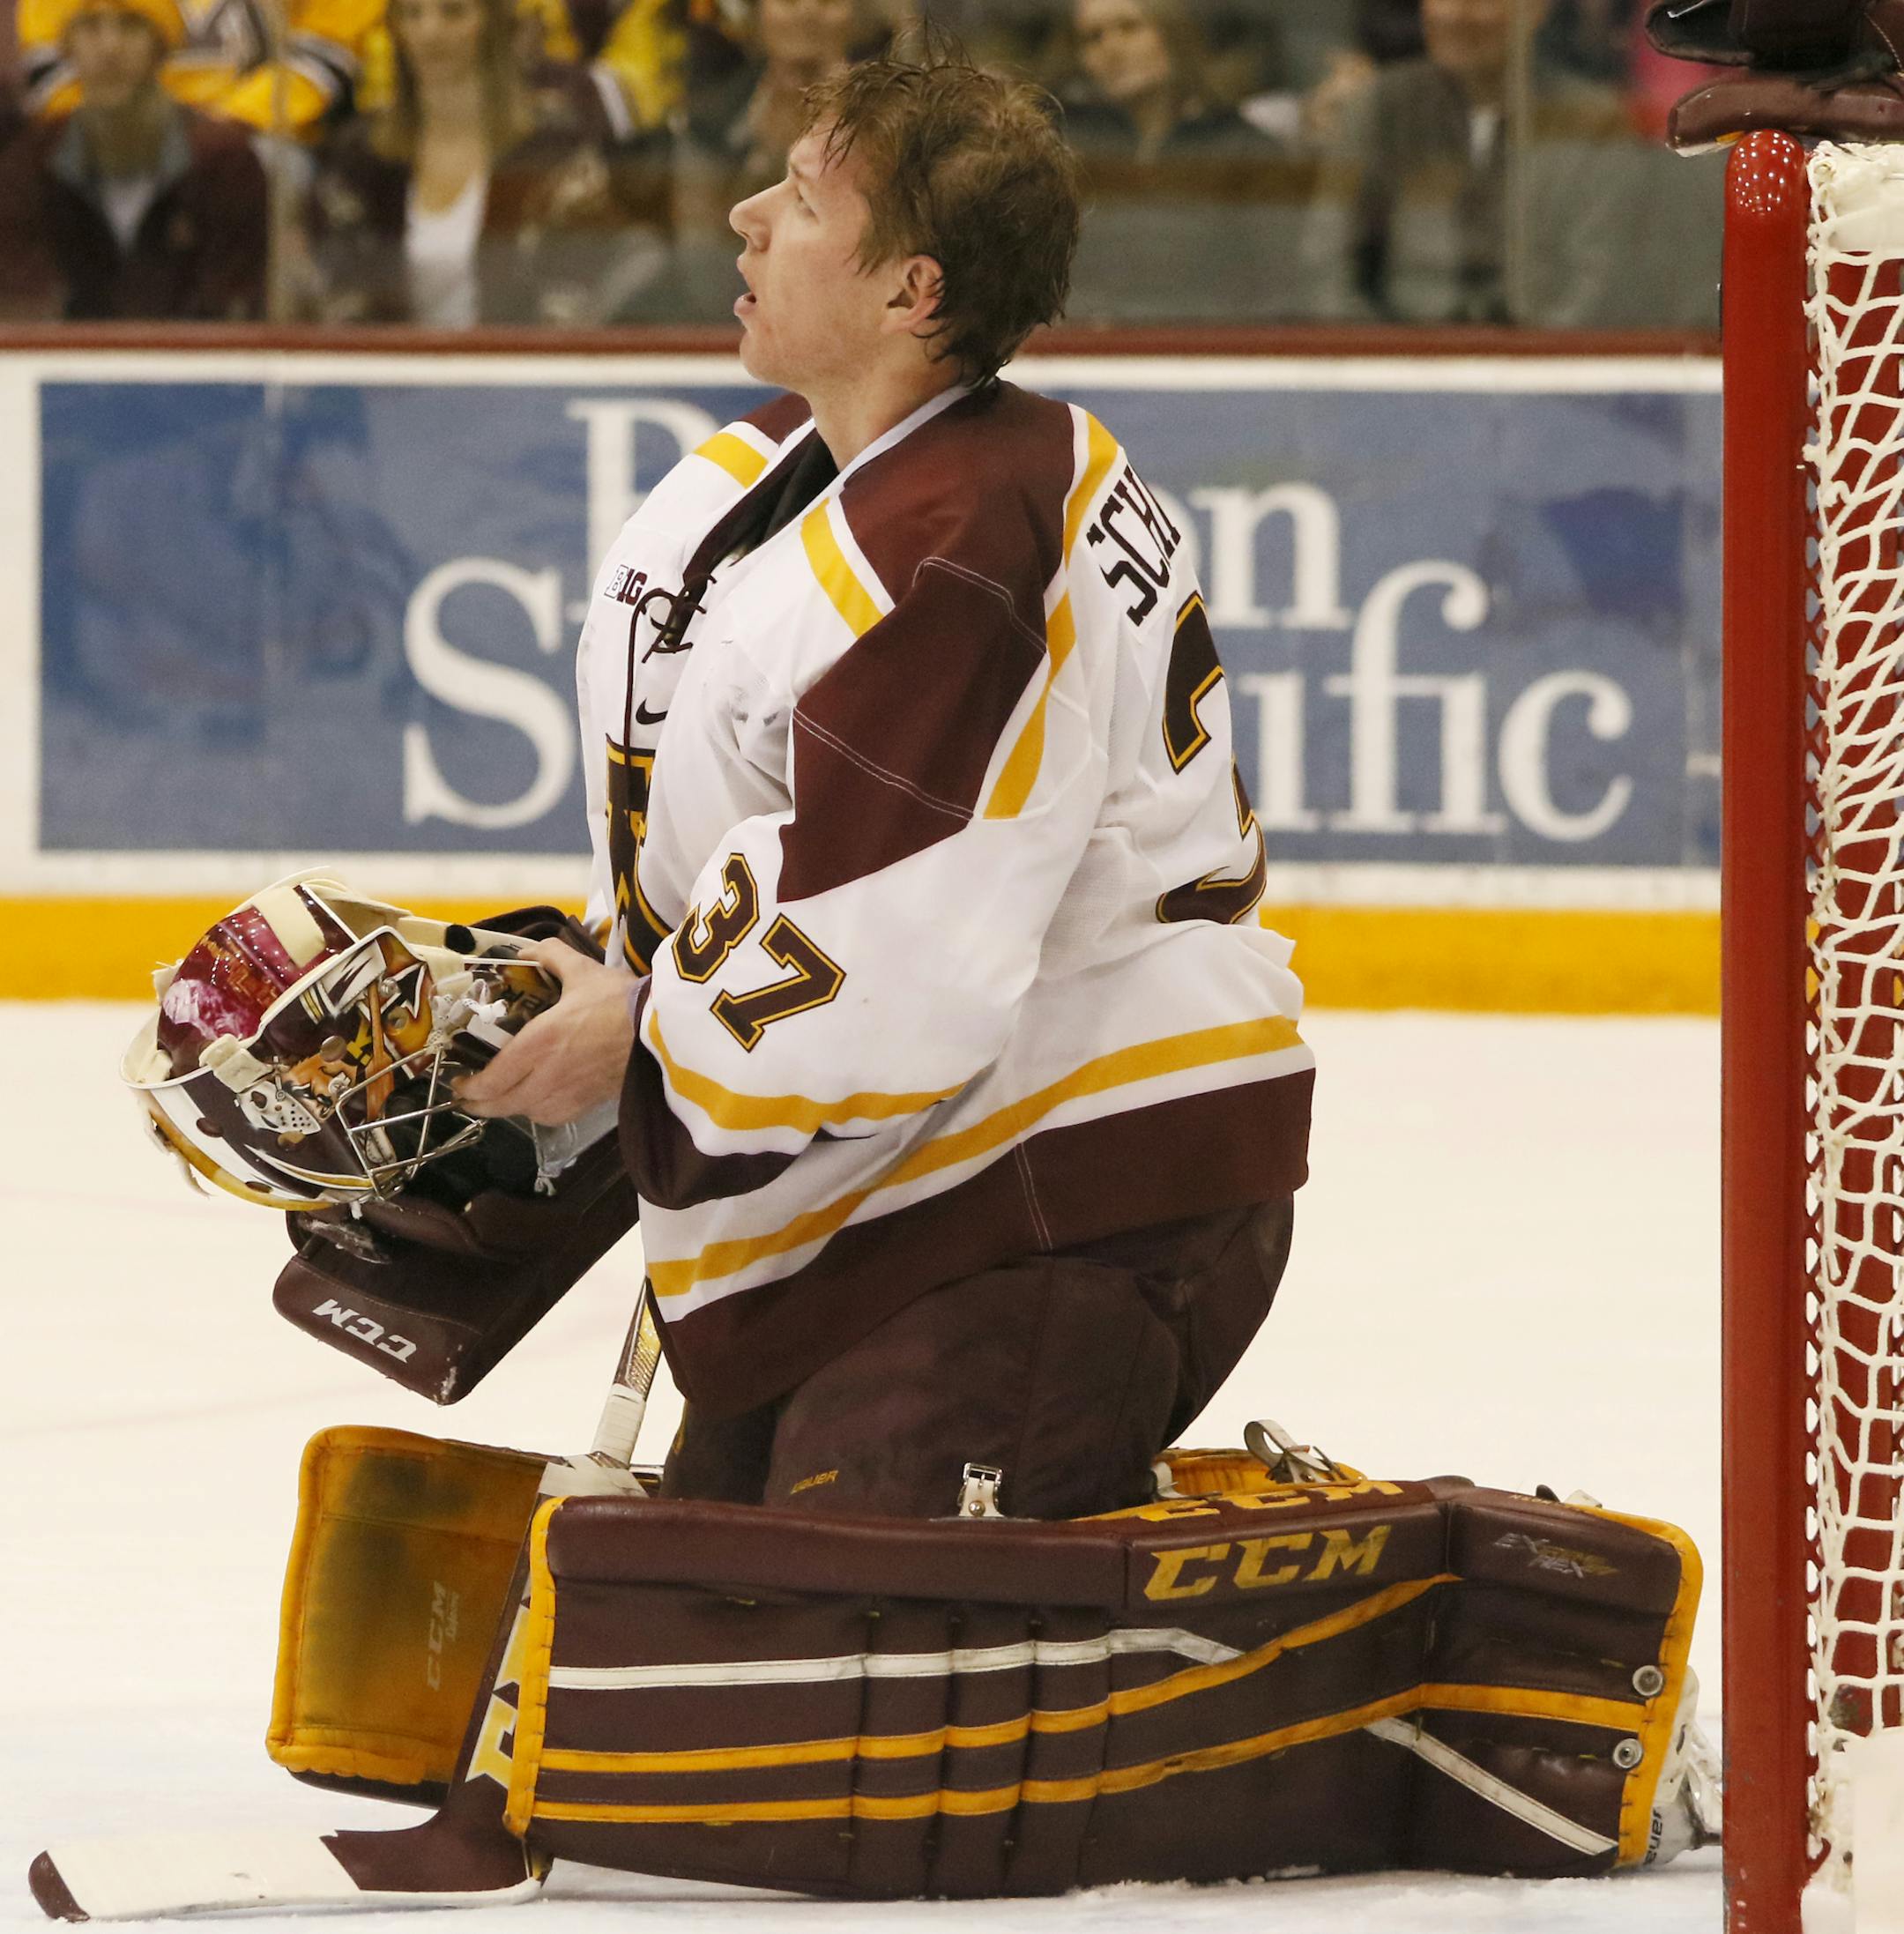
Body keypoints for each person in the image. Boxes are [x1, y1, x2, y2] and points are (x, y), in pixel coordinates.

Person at [457, 47, 1315, 1522]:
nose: (744, 216)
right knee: (708, 1597)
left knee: (842, 1645)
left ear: (912, 292)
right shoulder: (816, 481)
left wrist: (644, 1026)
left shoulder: (956, 550)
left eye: (797, 197)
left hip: (1076, 1196)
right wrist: (594, 979)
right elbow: (773, 854)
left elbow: (898, 956)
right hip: (920, 1187)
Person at [1305, 0, 1716, 326]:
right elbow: (1328, 270)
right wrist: (1381, 367)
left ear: (1537, 8)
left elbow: (1598, 286)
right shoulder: (1379, 108)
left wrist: (1525, 375)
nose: (1456, 12)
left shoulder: (1590, 121)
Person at [299, 0, 663, 324]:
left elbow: (593, 284)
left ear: (492, 23)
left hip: (519, 384)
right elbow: (339, 296)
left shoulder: (552, 150)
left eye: (453, 12)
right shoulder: (360, 157)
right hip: (388, 387)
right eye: (412, 14)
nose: (431, 31)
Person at [0, 0, 267, 320]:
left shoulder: (225, 161)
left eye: (130, 25)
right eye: (90, 27)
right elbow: (25, 307)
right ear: (66, 45)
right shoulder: (30, 162)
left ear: (162, 44)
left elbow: (234, 309)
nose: (110, 48)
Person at [1059, 0, 1312, 322]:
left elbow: (1280, 287)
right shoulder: (1064, 147)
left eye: (1129, 27)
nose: (1111, 48)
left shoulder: (1245, 148)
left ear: (1174, 32)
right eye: (1093, 37)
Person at [16, 0, 382, 136]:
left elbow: (325, 58)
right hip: (110, 145)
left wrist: (218, 132)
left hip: (262, 144)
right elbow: (56, 76)